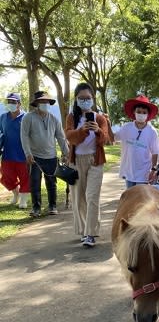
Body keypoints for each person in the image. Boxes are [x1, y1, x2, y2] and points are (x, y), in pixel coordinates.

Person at [65, 83, 108, 247]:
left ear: (93, 99)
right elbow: (70, 137)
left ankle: (90, 233)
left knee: (92, 197)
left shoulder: (100, 118)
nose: (85, 101)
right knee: (79, 199)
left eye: (88, 98)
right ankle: (84, 230)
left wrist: (98, 130)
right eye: (81, 98)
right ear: (76, 99)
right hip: (76, 162)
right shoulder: (71, 117)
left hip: (95, 161)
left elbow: (105, 139)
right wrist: (82, 130)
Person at [20, 90, 69, 218]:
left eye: (46, 101)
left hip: (51, 156)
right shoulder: (28, 118)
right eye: (42, 102)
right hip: (35, 157)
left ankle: (52, 206)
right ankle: (36, 208)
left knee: (52, 183)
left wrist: (66, 153)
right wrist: (28, 154)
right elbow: (24, 136)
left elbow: (61, 137)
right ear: (36, 103)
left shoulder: (54, 119)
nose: (45, 104)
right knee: (35, 183)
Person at [113, 95, 159, 188]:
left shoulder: (152, 131)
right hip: (129, 171)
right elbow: (113, 138)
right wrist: (106, 122)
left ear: (147, 115)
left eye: (144, 112)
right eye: (138, 112)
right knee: (131, 198)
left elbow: (155, 152)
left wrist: (153, 169)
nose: (141, 114)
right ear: (134, 112)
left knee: (141, 199)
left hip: (144, 173)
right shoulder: (126, 128)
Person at [0, 92, 30, 208]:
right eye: (9, 102)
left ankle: (23, 200)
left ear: (19, 104)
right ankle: (15, 193)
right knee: (6, 177)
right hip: (7, 154)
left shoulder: (26, 117)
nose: (11, 104)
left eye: (14, 102)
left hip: (23, 154)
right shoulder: (3, 117)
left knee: (25, 178)